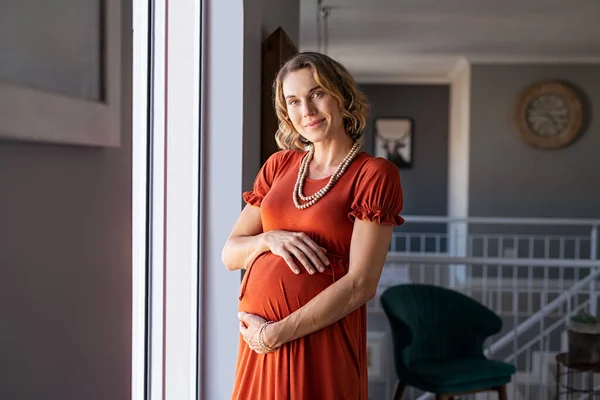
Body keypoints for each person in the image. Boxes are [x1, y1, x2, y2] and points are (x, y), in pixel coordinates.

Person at [221, 51, 404, 400]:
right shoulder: (278, 166)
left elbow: (361, 285)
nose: (306, 110)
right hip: (259, 344)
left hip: (318, 340)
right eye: (294, 101)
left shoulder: (374, 174)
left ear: (342, 96)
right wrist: (268, 240)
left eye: (317, 93)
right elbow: (230, 254)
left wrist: (276, 334)